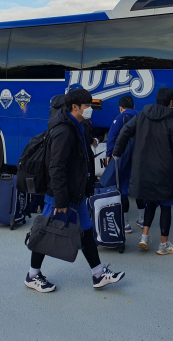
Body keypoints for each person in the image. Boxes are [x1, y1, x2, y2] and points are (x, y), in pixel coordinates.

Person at [25, 88, 125, 293]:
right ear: (75, 107)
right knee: (44, 232)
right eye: (87, 106)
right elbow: (56, 167)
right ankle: (32, 275)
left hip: (75, 192)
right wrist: (60, 200)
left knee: (87, 231)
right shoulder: (64, 131)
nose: (89, 110)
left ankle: (98, 274)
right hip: (60, 194)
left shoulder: (78, 125)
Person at [112, 87, 173, 256]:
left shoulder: (142, 115)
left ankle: (144, 237)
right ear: (171, 102)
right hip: (165, 170)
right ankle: (163, 244)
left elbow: (125, 131)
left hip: (144, 169)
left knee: (151, 203)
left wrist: (117, 152)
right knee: (166, 206)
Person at [105, 95, 142, 233]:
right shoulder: (141, 117)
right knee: (138, 187)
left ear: (121, 108)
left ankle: (126, 224)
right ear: (133, 106)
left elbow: (112, 138)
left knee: (123, 189)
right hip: (139, 157)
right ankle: (142, 219)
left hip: (124, 158)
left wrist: (109, 155)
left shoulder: (119, 119)